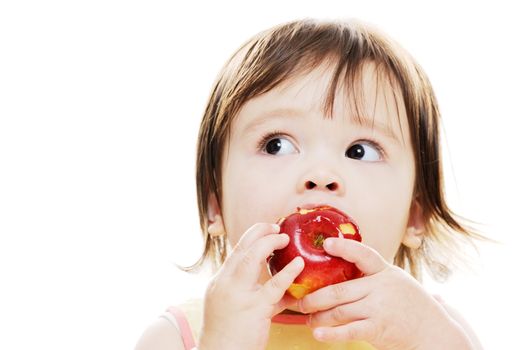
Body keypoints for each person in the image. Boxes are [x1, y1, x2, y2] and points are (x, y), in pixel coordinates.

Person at [135, 18, 486, 350]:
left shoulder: (432, 329)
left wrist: (427, 339)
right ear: (215, 204)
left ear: (414, 216)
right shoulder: (178, 336)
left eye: (360, 151)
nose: (321, 174)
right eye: (277, 145)